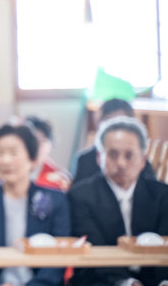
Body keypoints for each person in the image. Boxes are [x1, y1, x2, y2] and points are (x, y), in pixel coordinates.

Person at [68, 116, 168, 286]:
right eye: (113, 154)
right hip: (101, 280)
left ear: (143, 160)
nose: (121, 163)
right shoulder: (80, 195)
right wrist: (128, 283)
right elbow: (97, 251)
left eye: (129, 155)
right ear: (99, 158)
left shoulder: (162, 194)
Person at [0, 124, 70, 286]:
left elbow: (60, 255)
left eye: (13, 153)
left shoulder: (55, 199)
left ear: (32, 158)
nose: (5, 160)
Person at [72, 99, 155, 184]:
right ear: (98, 124)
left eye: (121, 123)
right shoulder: (85, 160)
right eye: (109, 122)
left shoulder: (138, 160)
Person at [26, 116, 71, 191]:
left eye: (42, 142)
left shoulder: (60, 179)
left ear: (51, 144)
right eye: (33, 141)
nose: (36, 146)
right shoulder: (8, 173)